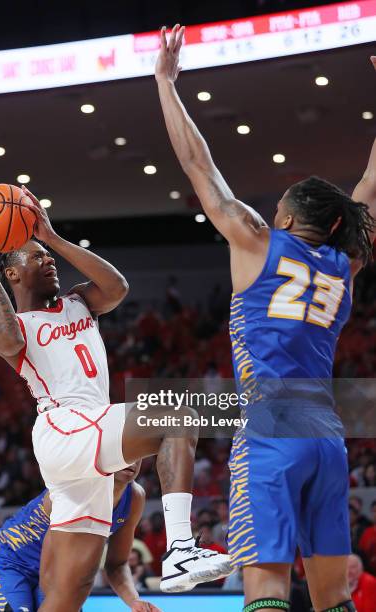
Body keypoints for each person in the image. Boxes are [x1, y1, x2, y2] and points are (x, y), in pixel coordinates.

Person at [156, 28, 376, 612]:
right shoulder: (344, 263)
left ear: (284, 215)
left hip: (270, 431)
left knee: (268, 591)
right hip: (327, 437)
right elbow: (373, 186)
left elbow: (200, 167)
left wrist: (166, 83)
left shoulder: (257, 243)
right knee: (333, 598)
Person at [0, 193, 231, 611]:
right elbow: (6, 340)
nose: (49, 260)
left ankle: (177, 554)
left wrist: (50, 236)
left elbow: (118, 287)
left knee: (70, 594)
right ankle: (181, 549)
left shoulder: (79, 302)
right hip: (65, 426)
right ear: (12, 274)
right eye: (37, 257)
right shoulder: (11, 325)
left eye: (48, 256)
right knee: (178, 415)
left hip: (85, 448)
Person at [0, 463, 161, 612]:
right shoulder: (75, 489)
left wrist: (134, 601)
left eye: (137, 454)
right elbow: (50, 576)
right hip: (8, 559)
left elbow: (117, 564)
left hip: (58, 566)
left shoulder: (135, 497)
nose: (132, 461)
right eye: (125, 453)